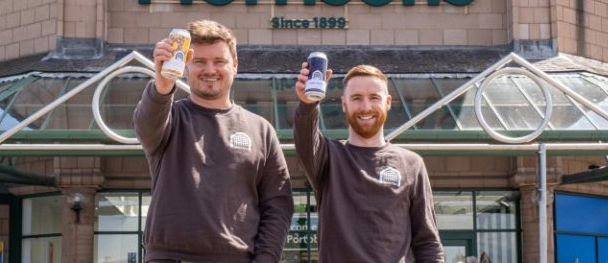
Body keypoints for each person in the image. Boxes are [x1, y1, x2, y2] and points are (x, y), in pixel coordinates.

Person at [134, 20, 293, 263]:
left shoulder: (261, 130)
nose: (210, 70)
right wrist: (162, 85)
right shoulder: (169, 117)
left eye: (219, 61)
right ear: (186, 65)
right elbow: (146, 126)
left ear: (235, 65)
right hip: (170, 258)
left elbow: (278, 204)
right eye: (199, 62)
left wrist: (266, 259)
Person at [294, 63, 445, 262]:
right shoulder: (329, 158)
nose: (366, 107)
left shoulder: (412, 164)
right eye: (356, 98)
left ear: (388, 102)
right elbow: (305, 137)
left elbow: (427, 243)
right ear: (344, 104)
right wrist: (308, 103)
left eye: (374, 97)